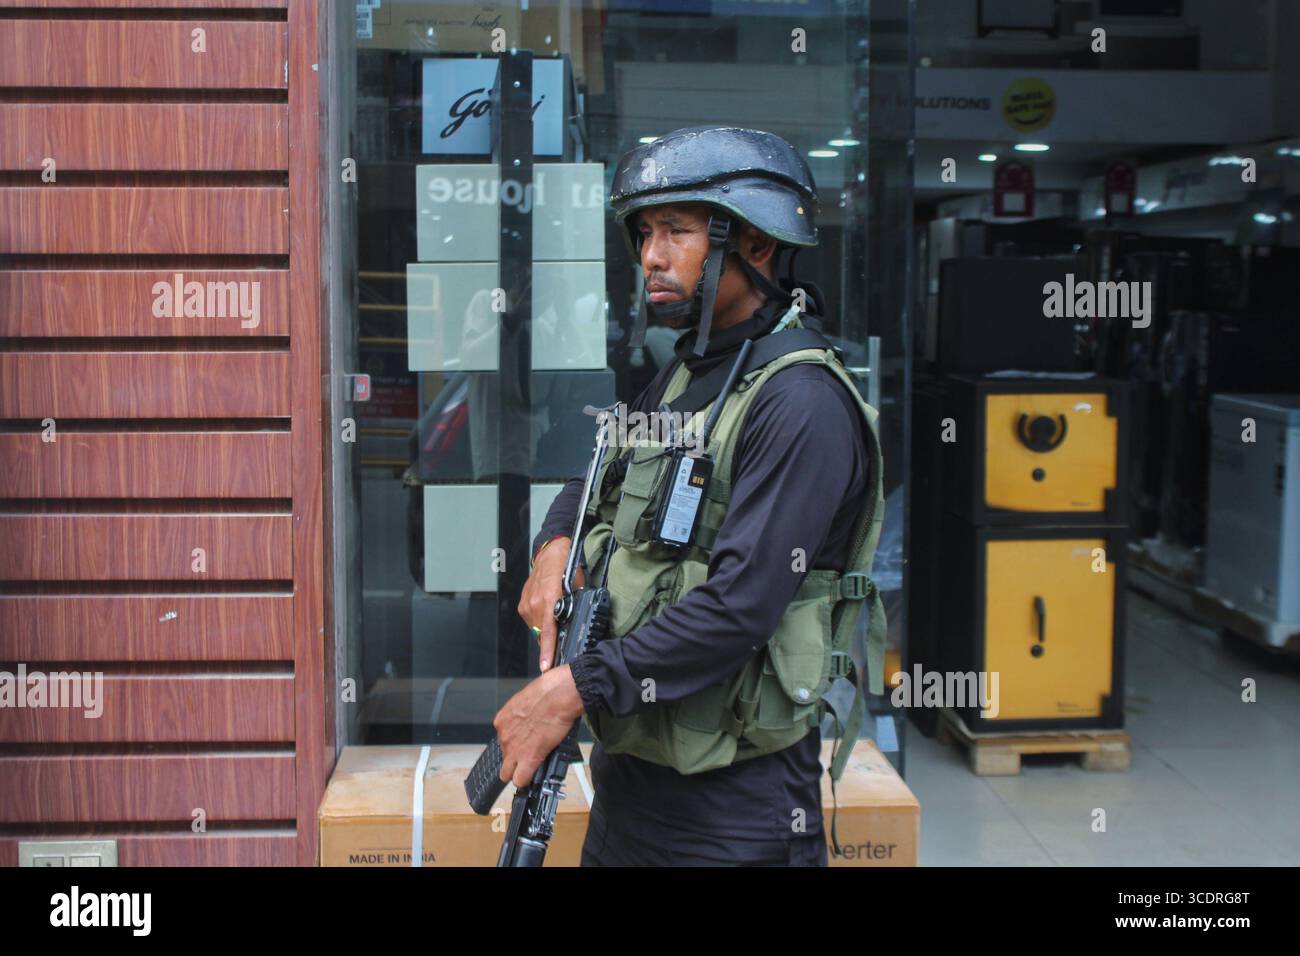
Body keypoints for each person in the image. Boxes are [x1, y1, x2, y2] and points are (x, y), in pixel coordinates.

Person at [492, 126, 886, 866]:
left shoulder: (800, 403)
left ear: (757, 245)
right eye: (644, 232)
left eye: (677, 230)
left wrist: (572, 689)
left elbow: (740, 605)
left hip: (735, 818)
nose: (651, 255)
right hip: (632, 791)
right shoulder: (689, 370)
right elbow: (598, 475)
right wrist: (553, 548)